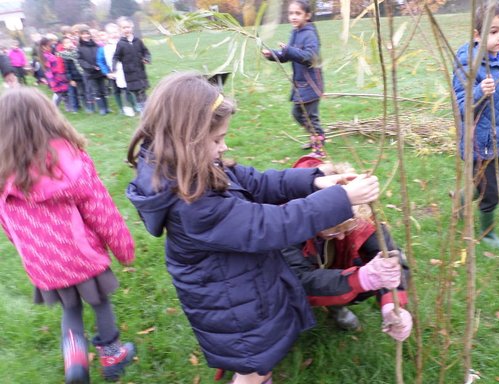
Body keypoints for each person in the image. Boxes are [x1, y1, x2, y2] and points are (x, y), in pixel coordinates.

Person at [126, 72, 380, 384]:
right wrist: (340, 198)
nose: (224, 146)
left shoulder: (191, 165)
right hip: (233, 307)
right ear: (187, 138)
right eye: (217, 140)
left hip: (241, 289)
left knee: (260, 366)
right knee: (253, 369)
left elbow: (256, 182)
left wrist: (313, 180)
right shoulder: (193, 203)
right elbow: (269, 224)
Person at [0, 87, 136, 384]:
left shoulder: (2, 174)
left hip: (45, 263)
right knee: (100, 303)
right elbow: (102, 210)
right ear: (49, 118)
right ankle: (113, 355)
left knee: (70, 310)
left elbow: (8, 226)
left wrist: (32, 256)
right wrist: (124, 249)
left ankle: (76, 365)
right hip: (81, 254)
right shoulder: (70, 162)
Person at [281, 156, 412, 340]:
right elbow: (298, 281)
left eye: (346, 229)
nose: (341, 236)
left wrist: (392, 304)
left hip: (331, 269)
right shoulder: (285, 222)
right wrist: (360, 279)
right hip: (285, 279)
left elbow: (390, 256)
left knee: (376, 269)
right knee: (285, 295)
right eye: (334, 231)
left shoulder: (358, 212)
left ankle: (336, 304)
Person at [452, 1, 499, 250]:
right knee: (491, 192)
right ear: (477, 35)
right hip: (480, 142)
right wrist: (479, 91)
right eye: (494, 31)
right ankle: (487, 232)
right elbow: (461, 104)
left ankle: (460, 200)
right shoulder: (468, 66)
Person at [262, 0, 325, 158]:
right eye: (291, 13)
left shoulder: (310, 34)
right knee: (298, 114)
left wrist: (289, 50)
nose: (293, 17)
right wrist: (273, 54)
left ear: (307, 15)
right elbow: (286, 56)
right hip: (300, 84)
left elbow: (310, 57)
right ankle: (316, 137)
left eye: (298, 13)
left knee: (311, 117)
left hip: (311, 84)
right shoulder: (295, 32)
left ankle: (319, 148)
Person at [112, 17, 151, 113]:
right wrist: (114, 67)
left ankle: (147, 108)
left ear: (132, 28)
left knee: (142, 90)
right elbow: (116, 57)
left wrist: (146, 59)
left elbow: (146, 52)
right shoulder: (120, 44)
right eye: (124, 28)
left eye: (128, 27)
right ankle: (144, 110)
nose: (126, 29)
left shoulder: (138, 41)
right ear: (120, 30)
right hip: (130, 73)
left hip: (140, 72)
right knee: (138, 92)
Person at [98, 23, 136, 117]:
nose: (114, 35)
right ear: (107, 34)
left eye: (115, 32)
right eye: (111, 33)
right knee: (116, 91)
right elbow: (101, 62)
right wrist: (107, 73)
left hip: (125, 71)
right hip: (113, 73)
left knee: (128, 89)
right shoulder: (103, 49)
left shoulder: (124, 44)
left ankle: (134, 106)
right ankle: (121, 108)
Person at [77, 27, 109, 115]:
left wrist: (100, 66)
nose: (86, 35)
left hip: (100, 71)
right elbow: (81, 61)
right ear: (80, 36)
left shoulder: (96, 45)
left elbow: (101, 56)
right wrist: (91, 67)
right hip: (90, 73)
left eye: (87, 33)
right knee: (96, 91)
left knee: (103, 89)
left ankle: (107, 107)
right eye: (83, 34)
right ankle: (102, 108)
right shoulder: (80, 48)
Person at [40, 37, 70, 111]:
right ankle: (52, 108)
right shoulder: (45, 57)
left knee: (64, 92)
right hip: (55, 79)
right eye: (49, 46)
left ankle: (68, 107)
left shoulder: (50, 54)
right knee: (58, 93)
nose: (51, 47)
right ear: (43, 47)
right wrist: (53, 82)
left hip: (60, 76)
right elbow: (49, 71)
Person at [60, 37, 87, 113]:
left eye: (70, 42)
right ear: (64, 46)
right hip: (73, 77)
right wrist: (70, 79)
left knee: (83, 91)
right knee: (73, 93)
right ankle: (75, 108)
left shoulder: (77, 51)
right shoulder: (65, 55)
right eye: (66, 43)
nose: (69, 44)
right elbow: (67, 69)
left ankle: (86, 106)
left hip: (81, 75)